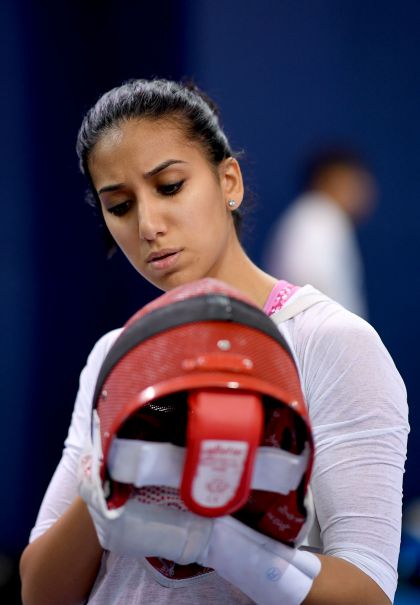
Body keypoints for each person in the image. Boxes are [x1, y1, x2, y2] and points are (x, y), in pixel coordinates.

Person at [19, 79, 408, 605]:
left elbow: (369, 591)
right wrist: (106, 488)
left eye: (169, 186)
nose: (148, 225)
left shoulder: (330, 342)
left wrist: (216, 539)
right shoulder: (114, 356)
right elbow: (40, 593)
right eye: (121, 206)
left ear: (229, 181)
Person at [263, 148, 377, 318]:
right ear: (334, 179)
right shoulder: (318, 217)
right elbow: (306, 280)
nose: (366, 191)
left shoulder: (320, 217)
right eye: (357, 182)